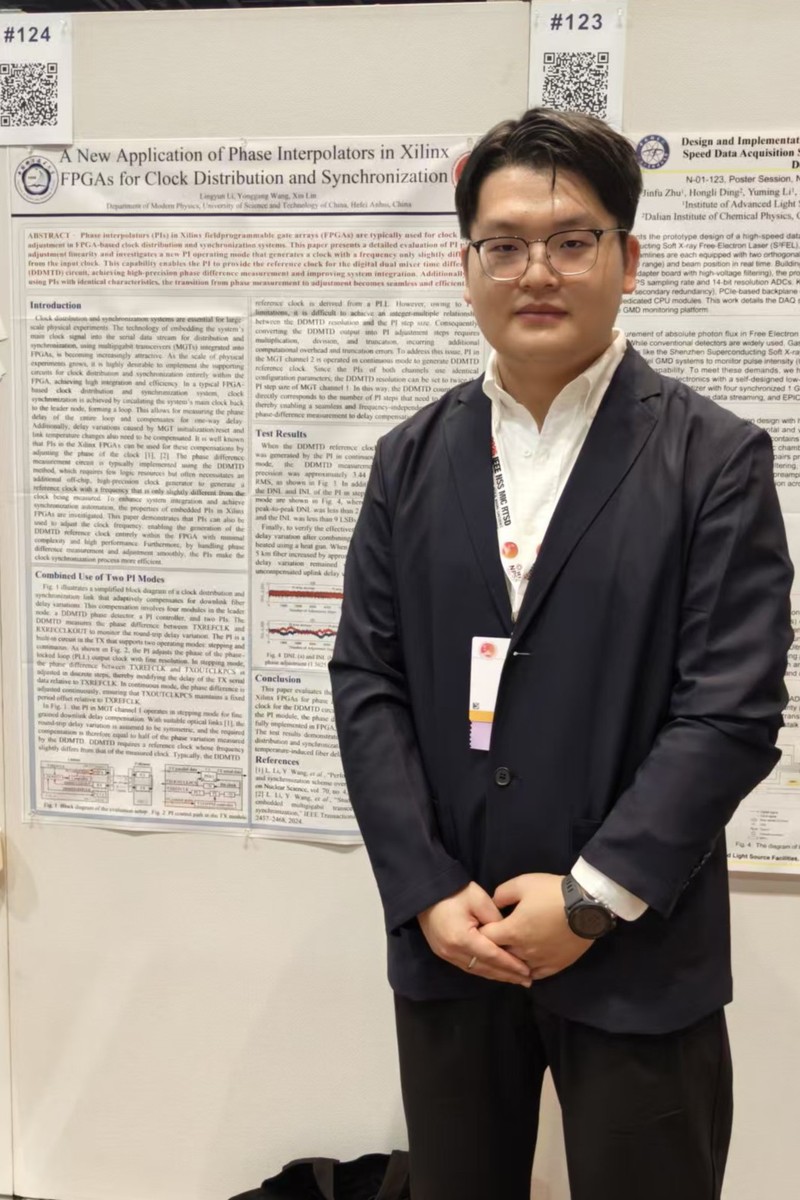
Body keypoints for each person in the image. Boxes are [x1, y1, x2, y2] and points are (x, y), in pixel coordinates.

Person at [329, 108, 793, 1200]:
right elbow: (368, 681)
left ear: (626, 259)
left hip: (638, 951)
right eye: (503, 245)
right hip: (456, 938)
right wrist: (425, 888)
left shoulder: (714, 460)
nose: (535, 271)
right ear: (467, 267)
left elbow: (728, 712)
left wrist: (590, 898)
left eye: (571, 240)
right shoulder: (410, 459)